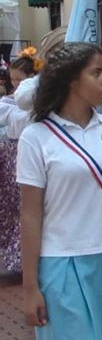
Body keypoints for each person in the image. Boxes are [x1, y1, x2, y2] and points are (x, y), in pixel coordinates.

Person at [17, 42, 102, 339]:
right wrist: (30, 287)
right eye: (96, 73)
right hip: (60, 261)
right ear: (71, 80)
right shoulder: (36, 137)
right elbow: (30, 215)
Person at [0, 53, 39, 275]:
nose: (15, 84)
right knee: (13, 206)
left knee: (28, 204)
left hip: (29, 152)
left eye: (19, 79)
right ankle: (16, 257)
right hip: (11, 154)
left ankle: (26, 258)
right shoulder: (8, 102)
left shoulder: (39, 101)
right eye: (12, 79)